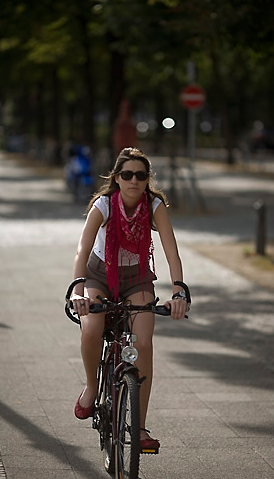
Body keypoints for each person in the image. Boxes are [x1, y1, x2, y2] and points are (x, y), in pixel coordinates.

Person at [71, 147, 188, 450]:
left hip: (137, 276)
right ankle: (91, 387)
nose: (133, 180)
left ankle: (139, 428)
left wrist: (178, 290)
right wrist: (77, 290)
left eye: (140, 175)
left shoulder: (155, 205)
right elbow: (82, 251)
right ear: (117, 178)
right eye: (127, 174)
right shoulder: (104, 205)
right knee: (93, 327)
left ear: (147, 179)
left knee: (144, 342)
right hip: (99, 273)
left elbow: (171, 250)